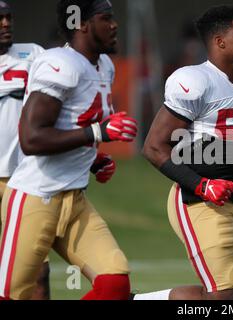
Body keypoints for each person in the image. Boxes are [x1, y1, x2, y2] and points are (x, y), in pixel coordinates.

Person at [0, 0, 138, 300]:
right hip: (36, 197)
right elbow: (32, 139)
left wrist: (93, 156)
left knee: (114, 283)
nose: (114, 25)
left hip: (74, 197)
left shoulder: (105, 66)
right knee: (12, 294)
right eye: (106, 18)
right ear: (83, 25)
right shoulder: (60, 64)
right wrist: (99, 132)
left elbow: (75, 124)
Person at [138, 5, 233, 300]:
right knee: (227, 293)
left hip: (230, 198)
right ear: (219, 41)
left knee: (223, 294)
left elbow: (231, 146)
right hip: (195, 200)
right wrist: (203, 185)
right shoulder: (195, 81)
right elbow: (153, 147)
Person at [0, 1, 50, 300]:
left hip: (25, 179)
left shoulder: (33, 54)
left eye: (8, 18)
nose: (6, 24)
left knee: (37, 272)